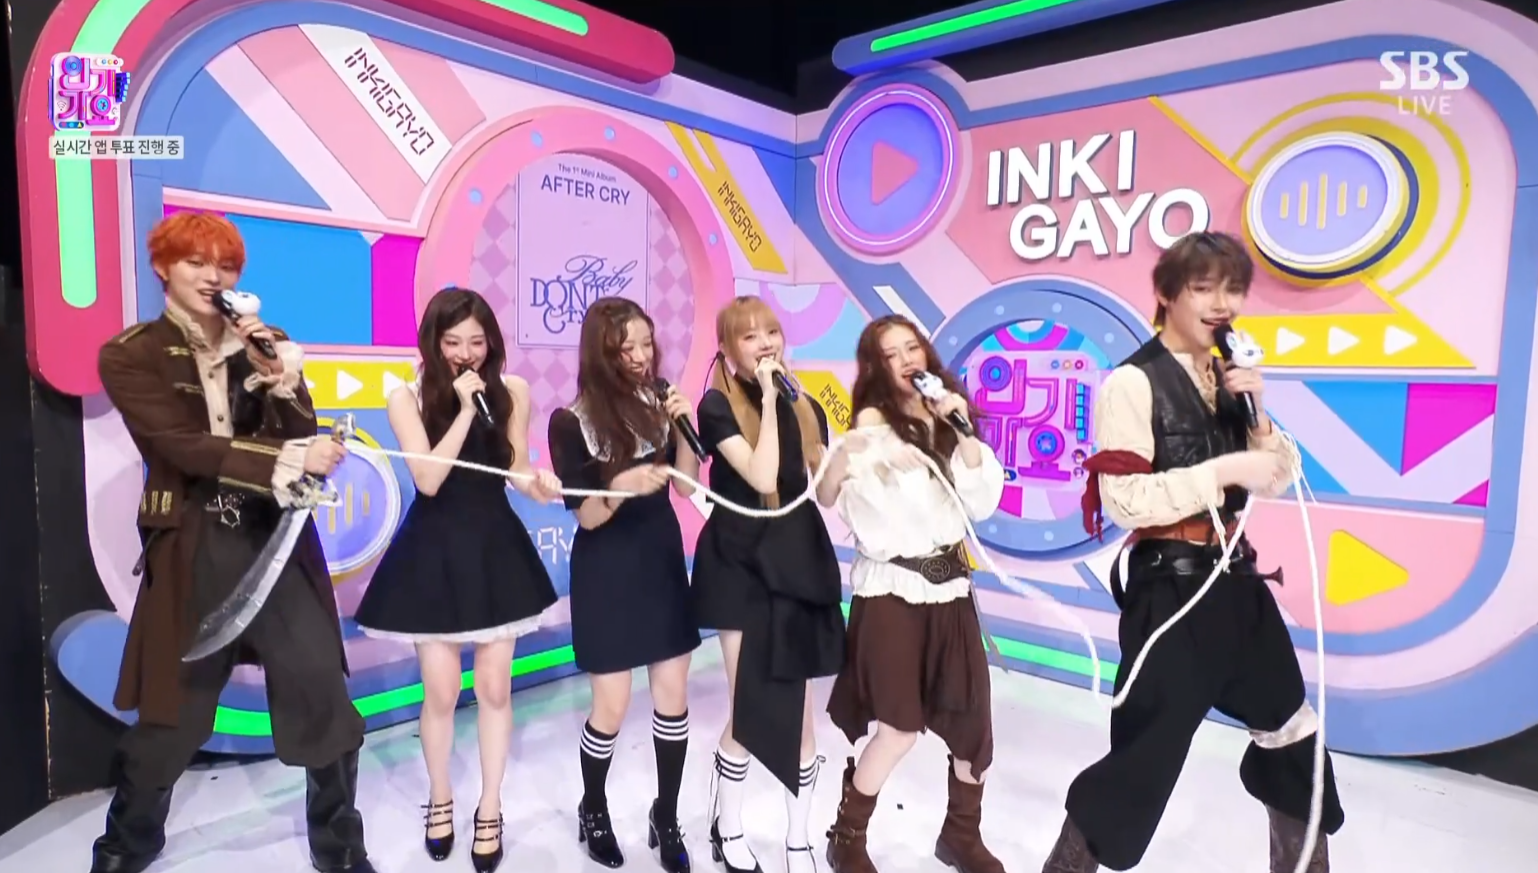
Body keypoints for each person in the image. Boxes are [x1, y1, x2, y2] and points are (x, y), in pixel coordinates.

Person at [1039, 231, 1343, 873]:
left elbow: (1278, 474)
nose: (1221, 303)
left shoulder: (1230, 379)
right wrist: (1223, 469)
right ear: (1167, 293)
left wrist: (1258, 419)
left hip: (1237, 581)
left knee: (1294, 733)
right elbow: (1124, 500)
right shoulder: (1133, 383)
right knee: (1144, 759)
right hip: (1171, 593)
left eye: (1232, 290)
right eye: (1203, 288)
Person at [91, 212, 371, 873]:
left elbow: (300, 428)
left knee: (322, 696)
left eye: (226, 266)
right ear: (163, 267)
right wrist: (287, 458)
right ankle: (127, 844)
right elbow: (178, 446)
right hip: (192, 544)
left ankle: (339, 848)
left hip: (274, 542)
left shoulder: (267, 343)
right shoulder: (130, 353)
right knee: (172, 713)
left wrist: (278, 375)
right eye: (196, 262)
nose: (213, 276)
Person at [352, 288, 562, 872]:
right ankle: (440, 797)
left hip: (495, 546)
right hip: (435, 551)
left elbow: (515, 470)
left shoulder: (512, 390)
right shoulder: (407, 394)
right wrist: (466, 410)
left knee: (494, 688)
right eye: (453, 343)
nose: (466, 354)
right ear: (433, 343)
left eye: (476, 342)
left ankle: (490, 806)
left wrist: (538, 483)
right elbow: (428, 478)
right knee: (441, 691)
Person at [819, 315, 1009, 873]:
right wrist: (867, 452)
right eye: (892, 353)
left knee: (973, 728)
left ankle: (961, 836)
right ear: (876, 367)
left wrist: (964, 431)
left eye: (912, 347)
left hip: (951, 592)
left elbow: (982, 503)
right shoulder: (868, 428)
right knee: (898, 729)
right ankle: (847, 836)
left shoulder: (947, 417)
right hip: (893, 594)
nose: (907, 360)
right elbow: (831, 493)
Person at [547, 298, 704, 873]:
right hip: (607, 566)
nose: (640, 356)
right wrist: (622, 487)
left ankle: (667, 815)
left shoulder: (659, 401)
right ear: (601, 353)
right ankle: (593, 807)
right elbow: (587, 517)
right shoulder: (572, 421)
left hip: (660, 559)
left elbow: (685, 487)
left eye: (646, 343)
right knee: (611, 706)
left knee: (673, 698)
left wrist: (683, 425)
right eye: (626, 348)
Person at [691, 297, 846, 873]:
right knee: (750, 705)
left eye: (772, 332)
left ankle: (798, 839)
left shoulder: (805, 404)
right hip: (739, 562)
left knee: (802, 713)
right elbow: (760, 475)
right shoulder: (716, 405)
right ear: (728, 349)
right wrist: (771, 399)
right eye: (750, 336)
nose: (765, 344)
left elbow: (822, 493)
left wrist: (844, 457)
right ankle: (727, 826)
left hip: (796, 560)